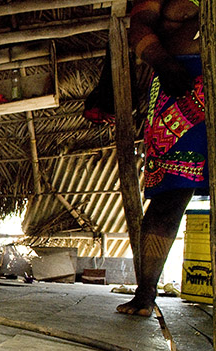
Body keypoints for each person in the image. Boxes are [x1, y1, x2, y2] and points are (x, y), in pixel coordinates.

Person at [117, 0, 207, 316]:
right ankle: (146, 292)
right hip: (180, 81)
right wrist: (164, 64)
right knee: (170, 195)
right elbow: (139, 27)